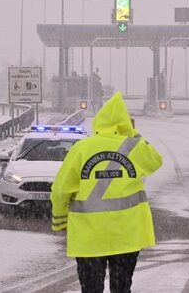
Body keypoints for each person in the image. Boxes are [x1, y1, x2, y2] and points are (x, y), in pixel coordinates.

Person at [51, 91, 163, 293]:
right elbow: (155, 161)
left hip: (89, 237)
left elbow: (60, 189)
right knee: (121, 288)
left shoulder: (82, 148)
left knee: (91, 289)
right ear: (125, 123)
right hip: (126, 234)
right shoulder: (133, 147)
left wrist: (60, 221)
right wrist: (132, 134)